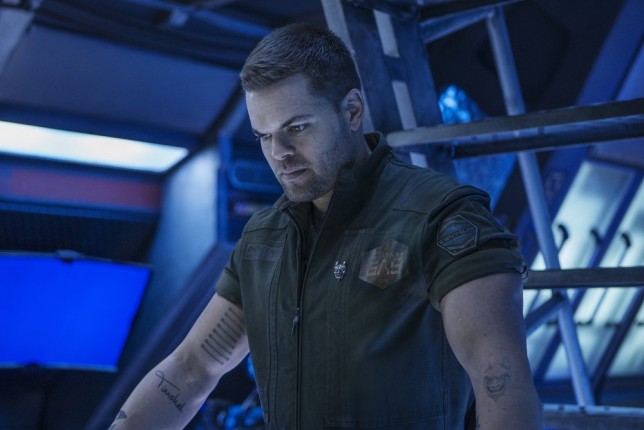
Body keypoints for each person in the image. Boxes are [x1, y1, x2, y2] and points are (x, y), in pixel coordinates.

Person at [110, 23, 543, 430]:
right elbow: (191, 370)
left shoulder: (442, 217)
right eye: (264, 136)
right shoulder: (263, 241)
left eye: (297, 128)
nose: (279, 152)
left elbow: (499, 378)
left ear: (352, 110)